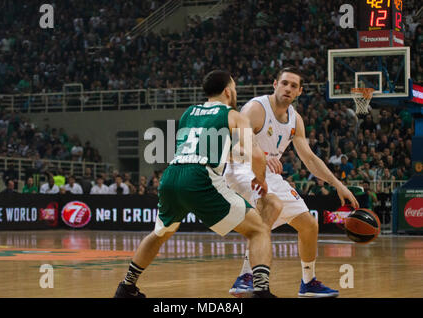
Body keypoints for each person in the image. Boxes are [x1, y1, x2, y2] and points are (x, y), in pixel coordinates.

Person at [114, 70, 275, 298]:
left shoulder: (189, 112)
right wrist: (260, 179)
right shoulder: (233, 115)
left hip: (171, 175)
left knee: (162, 232)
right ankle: (261, 291)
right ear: (228, 91)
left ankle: (126, 286)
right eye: (235, 88)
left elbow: (206, 144)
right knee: (258, 230)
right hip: (199, 176)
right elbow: (257, 157)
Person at [225, 67, 359, 298]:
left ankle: (308, 282)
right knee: (271, 205)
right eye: (284, 83)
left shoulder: (295, 119)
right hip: (240, 170)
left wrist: (337, 184)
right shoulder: (256, 109)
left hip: (268, 174)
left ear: (299, 92)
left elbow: (308, 158)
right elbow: (230, 147)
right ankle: (246, 276)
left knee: (309, 225)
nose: (288, 88)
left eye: (293, 86)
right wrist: (263, 157)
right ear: (274, 84)